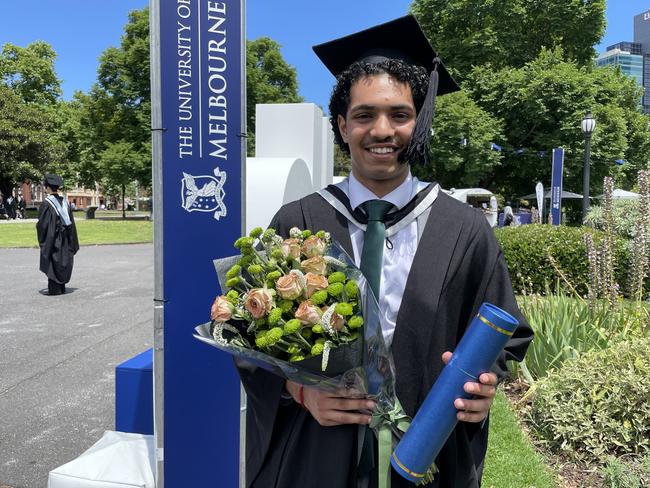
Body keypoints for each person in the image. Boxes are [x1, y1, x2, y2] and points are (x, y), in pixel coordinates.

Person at [237, 16, 533, 488]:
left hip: (423, 453)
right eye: (363, 115)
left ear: (419, 122)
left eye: (399, 115)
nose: (382, 130)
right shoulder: (298, 220)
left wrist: (484, 388)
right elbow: (247, 343)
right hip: (316, 453)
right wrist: (297, 390)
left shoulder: (465, 229)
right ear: (342, 125)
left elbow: (504, 333)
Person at [36, 173, 79, 296]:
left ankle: (55, 289)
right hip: (65, 239)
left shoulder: (47, 204)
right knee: (63, 259)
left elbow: (43, 225)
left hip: (53, 239)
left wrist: (42, 236)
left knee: (54, 260)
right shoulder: (65, 202)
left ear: (48, 187)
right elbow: (71, 223)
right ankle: (62, 287)